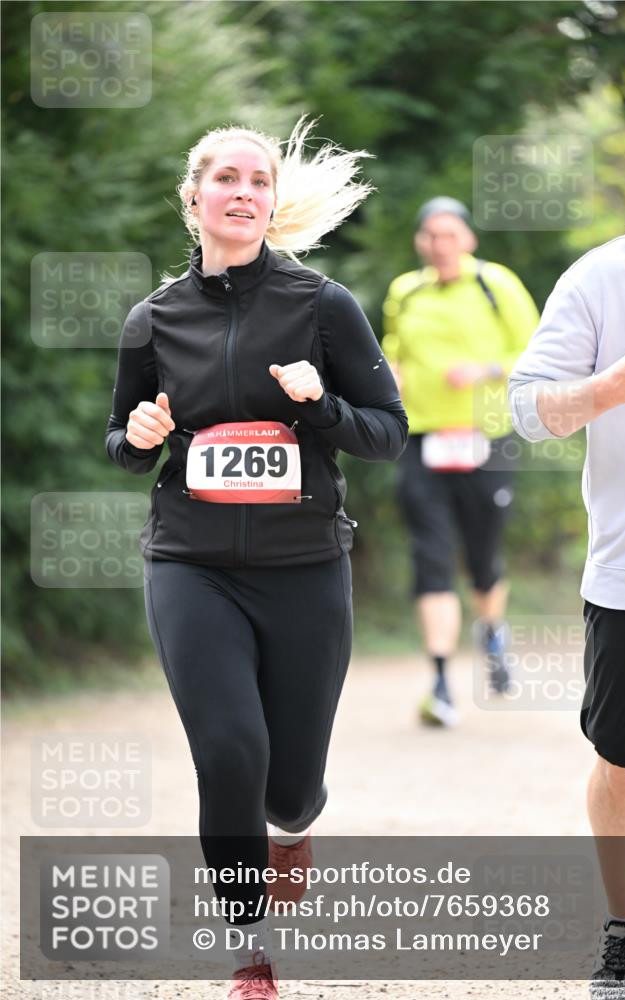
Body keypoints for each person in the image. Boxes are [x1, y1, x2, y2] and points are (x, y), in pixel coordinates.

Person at [104, 117, 407, 999]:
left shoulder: (322, 305)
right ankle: (248, 946)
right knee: (229, 749)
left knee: (289, 782)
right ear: (193, 196)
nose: (243, 192)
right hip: (190, 561)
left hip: (305, 565)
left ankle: (294, 823)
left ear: (273, 204)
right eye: (226, 178)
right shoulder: (152, 318)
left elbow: (386, 435)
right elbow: (121, 441)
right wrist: (141, 434)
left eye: (259, 181)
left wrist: (318, 406)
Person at [508, 127, 625, 998]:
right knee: (624, 761)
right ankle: (621, 934)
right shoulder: (602, 278)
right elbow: (526, 411)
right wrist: (605, 391)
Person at [382, 198, 539, 726]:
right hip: (423, 440)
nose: (438, 244)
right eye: (429, 235)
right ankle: (442, 681)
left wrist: (486, 369)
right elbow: (393, 348)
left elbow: (538, 350)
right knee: (430, 555)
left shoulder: (497, 285)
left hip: (485, 439)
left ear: (468, 239)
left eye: (448, 234)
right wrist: (392, 375)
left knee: (483, 557)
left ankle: (493, 631)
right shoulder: (406, 291)